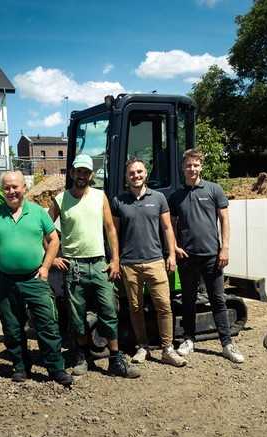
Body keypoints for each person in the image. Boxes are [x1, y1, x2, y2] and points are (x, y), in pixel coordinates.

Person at [49, 154, 141, 379]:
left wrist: (115, 260)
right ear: (72, 173)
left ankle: (115, 360)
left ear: (91, 175)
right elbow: (46, 228)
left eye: (86, 172)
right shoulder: (60, 200)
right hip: (74, 267)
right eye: (78, 171)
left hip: (100, 264)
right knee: (77, 316)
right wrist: (52, 257)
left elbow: (110, 229)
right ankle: (82, 357)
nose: (82, 176)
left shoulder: (100, 197)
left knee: (109, 311)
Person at [0, 171, 73, 387]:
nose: (11, 191)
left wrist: (46, 266)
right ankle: (20, 367)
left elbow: (54, 239)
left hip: (35, 279)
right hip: (5, 281)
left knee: (47, 324)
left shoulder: (38, 212)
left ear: (24, 188)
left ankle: (56, 368)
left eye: (15, 187)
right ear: (2, 191)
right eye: (7, 188)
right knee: (12, 327)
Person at [168, 149, 245, 364]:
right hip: (187, 258)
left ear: (201, 166)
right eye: (188, 165)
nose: (192, 169)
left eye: (196, 165)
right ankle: (188, 339)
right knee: (189, 300)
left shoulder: (214, 190)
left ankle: (227, 343)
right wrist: (174, 247)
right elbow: (171, 225)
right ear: (183, 168)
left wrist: (225, 248)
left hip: (212, 256)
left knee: (218, 300)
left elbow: (224, 220)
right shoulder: (175, 196)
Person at [111, 158, 186, 367]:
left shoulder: (159, 198)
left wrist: (171, 254)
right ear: (127, 177)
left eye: (139, 172)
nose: (136, 175)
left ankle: (167, 349)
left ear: (146, 174)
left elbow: (167, 228)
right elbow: (114, 233)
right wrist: (116, 260)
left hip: (155, 261)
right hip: (129, 264)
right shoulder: (119, 201)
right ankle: (142, 346)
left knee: (164, 306)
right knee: (136, 308)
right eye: (132, 173)